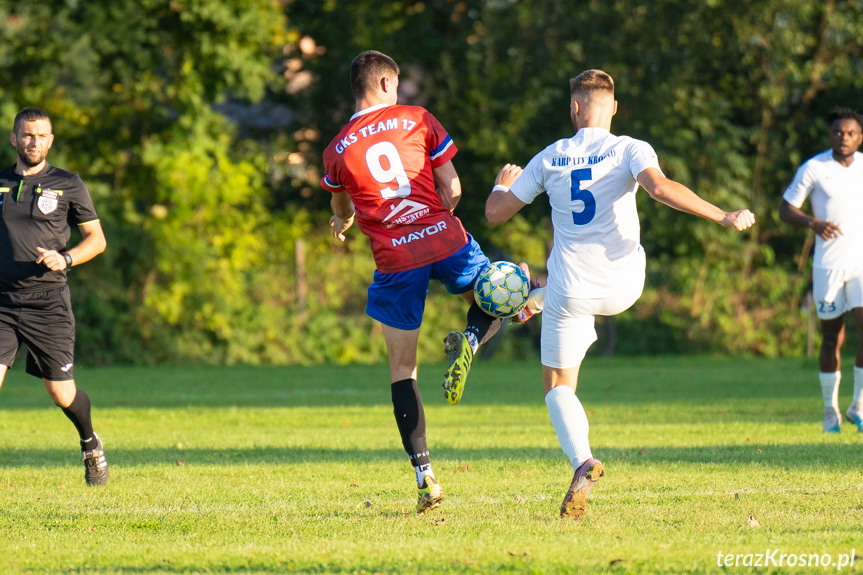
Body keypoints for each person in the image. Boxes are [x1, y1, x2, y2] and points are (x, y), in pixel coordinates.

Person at [485, 69, 755, 520]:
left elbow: (495, 214)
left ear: (573, 108)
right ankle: (535, 299)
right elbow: (661, 189)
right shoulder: (630, 147)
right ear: (613, 107)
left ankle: (583, 461)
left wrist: (500, 184)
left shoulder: (550, 156)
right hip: (625, 284)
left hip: (570, 289)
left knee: (557, 388)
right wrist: (722, 215)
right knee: (558, 289)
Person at [320, 51, 513, 513]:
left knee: (402, 370)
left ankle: (426, 477)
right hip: (443, 235)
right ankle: (469, 338)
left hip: (395, 257)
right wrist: (438, 218)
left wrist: (341, 223)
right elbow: (454, 188)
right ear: (387, 84)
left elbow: (343, 207)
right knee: (498, 298)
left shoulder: (337, 149)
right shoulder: (417, 118)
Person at [0, 107, 108, 485]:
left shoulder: (68, 183)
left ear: (51, 140)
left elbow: (96, 240)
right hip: (2, 304)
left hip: (47, 303)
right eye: (28, 135)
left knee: (62, 394)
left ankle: (91, 444)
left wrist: (65, 257)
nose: (34, 141)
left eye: (42, 135)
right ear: (14, 139)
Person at [779, 108, 863, 434]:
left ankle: (858, 405)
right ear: (831, 136)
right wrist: (812, 222)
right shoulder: (814, 168)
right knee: (832, 338)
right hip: (828, 265)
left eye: (850, 133)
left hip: (860, 264)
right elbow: (785, 209)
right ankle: (830, 411)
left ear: (860, 136)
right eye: (838, 133)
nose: (843, 138)